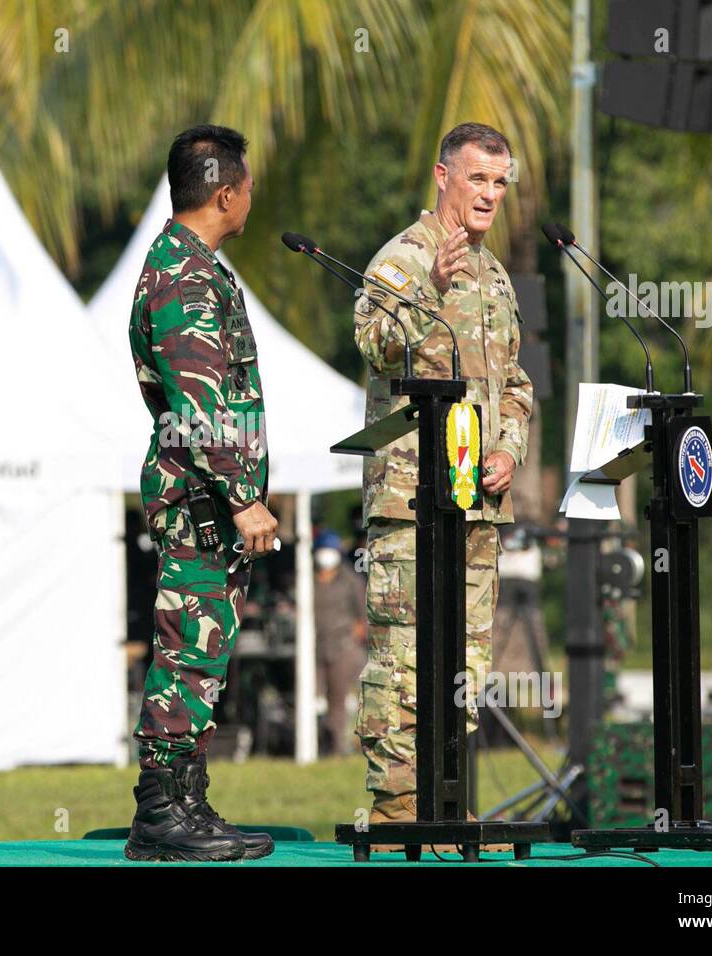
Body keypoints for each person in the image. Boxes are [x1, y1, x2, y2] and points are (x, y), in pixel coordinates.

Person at [352, 122, 533, 842]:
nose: (489, 194)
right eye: (477, 178)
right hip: (411, 500)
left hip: (476, 504)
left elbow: (515, 383)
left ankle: (448, 798)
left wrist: (510, 449)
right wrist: (427, 288)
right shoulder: (404, 257)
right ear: (442, 176)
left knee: (466, 661)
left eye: (499, 182)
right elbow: (372, 344)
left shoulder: (494, 275)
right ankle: (400, 812)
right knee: (405, 660)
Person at [124, 124, 278, 862]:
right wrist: (244, 495)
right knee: (188, 652)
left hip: (206, 496)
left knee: (203, 653)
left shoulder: (194, 266)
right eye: (247, 186)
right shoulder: (183, 275)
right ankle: (160, 815)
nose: (252, 198)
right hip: (202, 496)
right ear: (226, 193)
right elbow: (197, 401)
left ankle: (187, 803)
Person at [312, 530, 366, 755]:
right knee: (313, 699)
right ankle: (314, 745)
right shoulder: (306, 577)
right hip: (313, 647)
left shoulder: (351, 580)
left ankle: (336, 749)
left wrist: (352, 639)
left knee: (338, 700)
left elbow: (363, 616)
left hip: (342, 648)